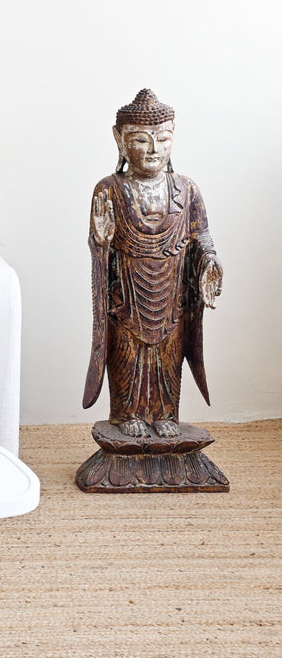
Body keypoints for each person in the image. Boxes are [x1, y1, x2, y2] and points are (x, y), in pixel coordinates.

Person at [83, 88, 222, 436]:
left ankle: (165, 414)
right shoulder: (109, 189)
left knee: (168, 357)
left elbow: (200, 236)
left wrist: (209, 263)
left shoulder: (186, 190)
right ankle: (126, 414)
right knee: (127, 354)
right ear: (120, 140)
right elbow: (99, 246)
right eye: (141, 140)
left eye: (162, 139)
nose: (152, 150)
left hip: (172, 298)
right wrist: (100, 240)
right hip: (126, 301)